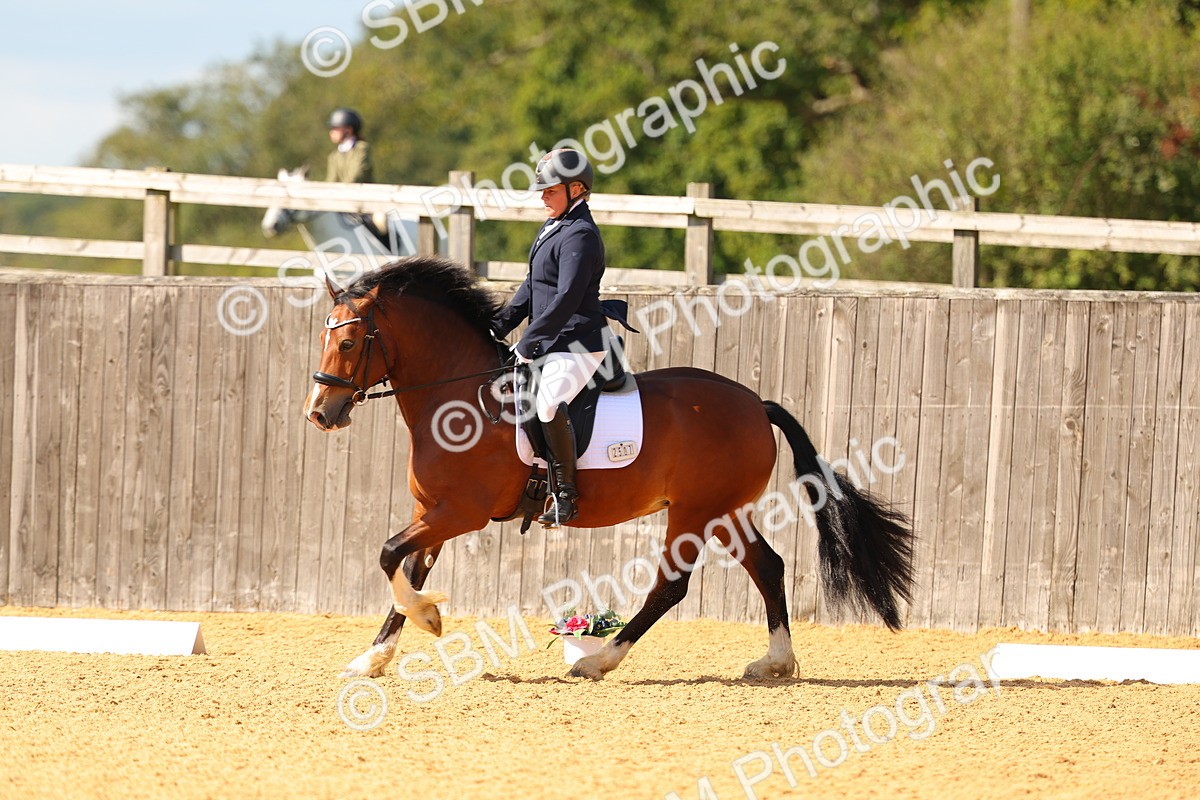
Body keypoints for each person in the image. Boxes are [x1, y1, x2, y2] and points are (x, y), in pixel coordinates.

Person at [492, 148, 609, 527]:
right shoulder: (554, 226)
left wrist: (528, 343)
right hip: (550, 340)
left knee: (547, 405)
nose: (542, 196)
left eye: (551, 190)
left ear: (577, 189)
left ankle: (566, 496)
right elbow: (533, 286)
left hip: (578, 343)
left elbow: (567, 298)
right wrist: (499, 324)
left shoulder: (581, 235)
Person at [325, 108, 373, 184]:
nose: (331, 132)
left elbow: (357, 175)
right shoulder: (334, 156)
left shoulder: (361, 149)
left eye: (336, 129)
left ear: (348, 130)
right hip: (342, 194)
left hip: (361, 194)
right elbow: (331, 181)